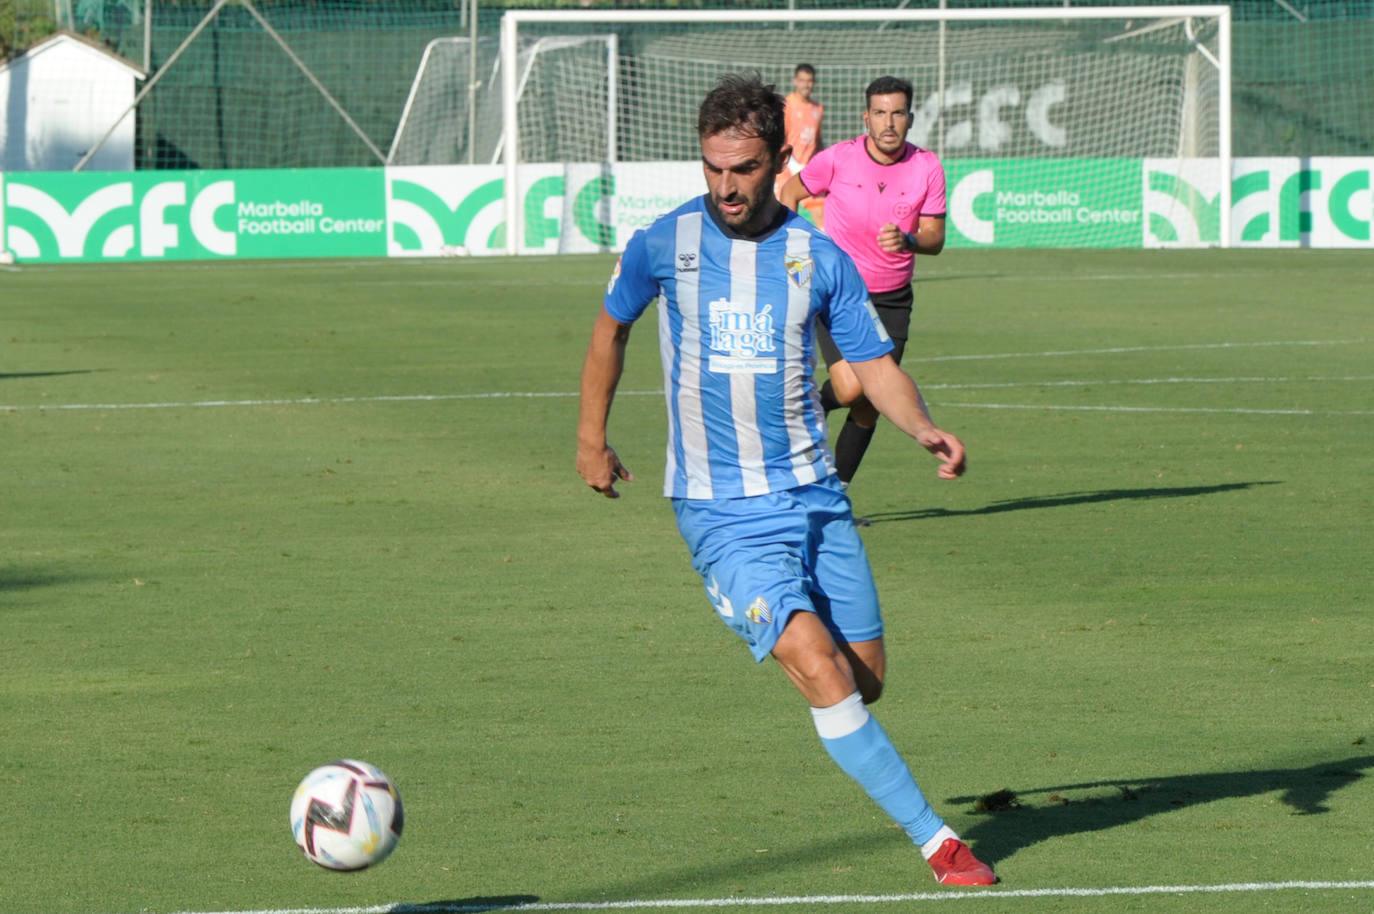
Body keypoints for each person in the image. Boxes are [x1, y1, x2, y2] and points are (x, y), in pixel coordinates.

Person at [576, 72, 994, 887]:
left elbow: (871, 365)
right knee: (817, 664)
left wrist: (921, 427)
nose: (727, 186)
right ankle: (937, 840)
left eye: (745, 168)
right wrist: (591, 438)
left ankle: (844, 720)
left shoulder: (817, 257)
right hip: (720, 512)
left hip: (814, 499)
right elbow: (609, 329)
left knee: (862, 681)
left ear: (778, 162)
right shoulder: (664, 244)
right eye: (713, 168)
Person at [779, 75, 946, 495]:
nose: (888, 122)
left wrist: (909, 240)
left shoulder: (928, 166)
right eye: (879, 113)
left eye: (897, 113)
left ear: (910, 117)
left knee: (870, 406)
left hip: (894, 300)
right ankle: (803, 406)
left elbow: (936, 239)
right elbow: (788, 194)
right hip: (839, 292)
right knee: (854, 386)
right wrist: (799, 251)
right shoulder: (837, 159)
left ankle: (836, 496)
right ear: (865, 117)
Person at [775, 63, 825, 226]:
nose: (806, 85)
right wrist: (794, 164)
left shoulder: (817, 109)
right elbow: (780, 140)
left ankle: (820, 250)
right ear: (796, 81)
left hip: (808, 171)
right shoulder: (787, 105)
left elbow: (817, 142)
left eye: (809, 81)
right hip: (787, 171)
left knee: (821, 213)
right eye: (802, 80)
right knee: (785, 218)